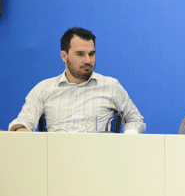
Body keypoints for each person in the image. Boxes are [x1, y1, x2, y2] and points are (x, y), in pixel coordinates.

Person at [8, 27, 146, 133]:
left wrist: (129, 136)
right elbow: (23, 120)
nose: (88, 60)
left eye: (91, 54)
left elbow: (135, 119)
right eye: (80, 54)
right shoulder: (43, 89)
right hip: (56, 157)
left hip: (99, 157)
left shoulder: (111, 86)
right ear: (64, 56)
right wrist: (21, 130)